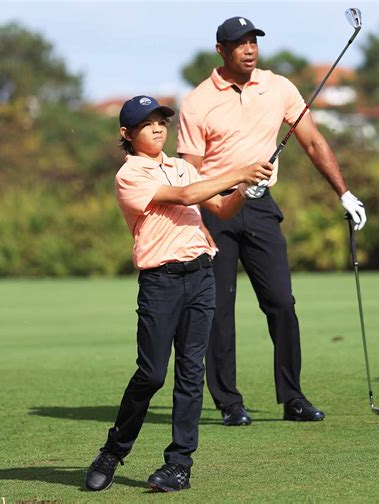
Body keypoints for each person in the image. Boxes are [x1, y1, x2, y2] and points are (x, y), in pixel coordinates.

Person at [177, 16, 367, 426]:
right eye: (239, 43)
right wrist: (216, 202)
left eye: (253, 42)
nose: (248, 49)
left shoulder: (279, 87)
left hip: (261, 208)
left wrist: (344, 192)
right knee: (219, 310)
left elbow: (313, 141)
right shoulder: (197, 101)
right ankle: (229, 403)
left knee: (282, 302)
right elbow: (189, 171)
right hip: (213, 212)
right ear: (221, 51)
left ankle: (293, 397)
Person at [84, 95, 273, 492]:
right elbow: (187, 198)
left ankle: (178, 465)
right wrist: (239, 169)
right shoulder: (130, 175)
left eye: (161, 121)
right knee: (151, 373)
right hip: (161, 281)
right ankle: (113, 450)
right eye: (147, 123)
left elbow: (220, 209)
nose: (157, 128)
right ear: (127, 134)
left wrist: (246, 187)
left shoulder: (183, 168)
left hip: (201, 275)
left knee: (191, 372)